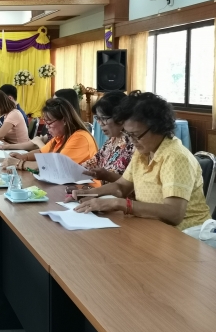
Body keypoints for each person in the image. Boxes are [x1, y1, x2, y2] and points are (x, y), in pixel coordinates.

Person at [69, 91, 211, 231]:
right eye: (128, 134)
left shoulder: (175, 156)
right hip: (153, 227)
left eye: (135, 135)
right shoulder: (143, 152)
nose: (132, 141)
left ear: (157, 127)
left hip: (187, 233)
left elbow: (174, 214)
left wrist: (121, 204)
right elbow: (121, 187)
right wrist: (88, 194)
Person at [2, 98, 97, 171]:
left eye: (49, 122)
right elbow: (42, 152)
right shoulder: (61, 136)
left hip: (84, 188)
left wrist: (19, 163)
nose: (47, 127)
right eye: (45, 122)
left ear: (64, 120)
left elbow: (54, 166)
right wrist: (23, 157)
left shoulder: (80, 137)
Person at [80, 91, 135, 183]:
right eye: (98, 118)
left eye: (104, 118)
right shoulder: (112, 140)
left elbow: (133, 184)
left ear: (120, 117)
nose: (100, 123)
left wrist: (107, 176)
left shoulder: (133, 143)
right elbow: (94, 161)